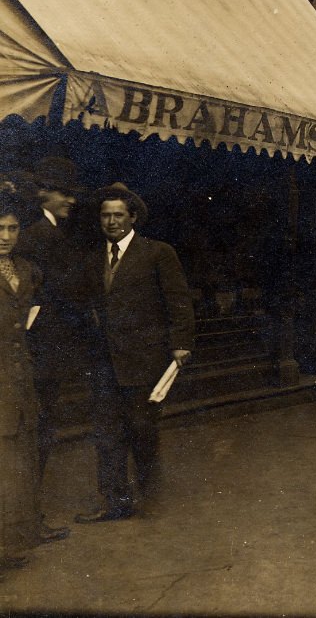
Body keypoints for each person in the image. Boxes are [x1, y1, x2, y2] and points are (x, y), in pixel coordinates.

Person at [76, 184, 194, 523]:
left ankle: (150, 498)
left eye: (118, 215)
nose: (111, 221)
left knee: (143, 432)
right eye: (105, 215)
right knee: (107, 433)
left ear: (133, 218)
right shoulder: (92, 259)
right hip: (104, 364)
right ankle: (114, 502)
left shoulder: (157, 253)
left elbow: (178, 300)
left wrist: (181, 342)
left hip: (145, 363)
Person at [13, 158, 82, 541]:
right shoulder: (38, 236)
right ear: (45, 194)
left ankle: (27, 517)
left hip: (49, 349)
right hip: (39, 350)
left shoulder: (53, 232)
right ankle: (26, 520)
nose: (71, 200)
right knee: (35, 432)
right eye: (64, 193)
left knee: (40, 432)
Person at [0, 190, 65, 577]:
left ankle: (25, 528)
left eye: (12, 228)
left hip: (22, 375)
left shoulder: (28, 270)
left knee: (25, 452)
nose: (5, 235)